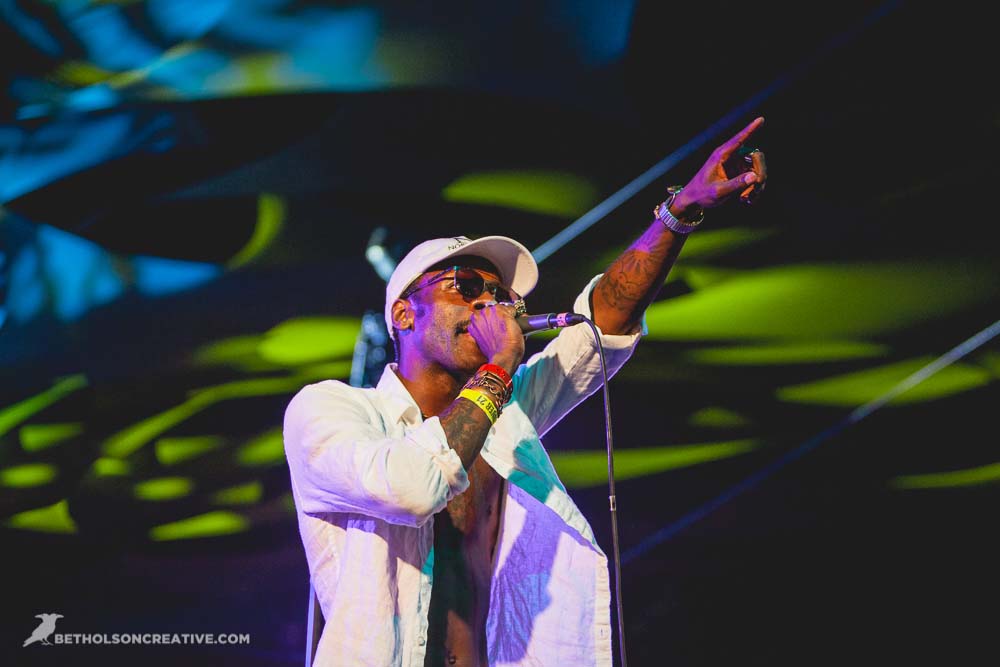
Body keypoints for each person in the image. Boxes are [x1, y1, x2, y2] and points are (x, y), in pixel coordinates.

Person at [283, 117, 768, 666]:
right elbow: (412, 488)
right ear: (402, 312)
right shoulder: (332, 409)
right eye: (465, 288)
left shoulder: (505, 420)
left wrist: (679, 214)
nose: (489, 305)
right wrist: (500, 366)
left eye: (501, 296)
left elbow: (603, 323)